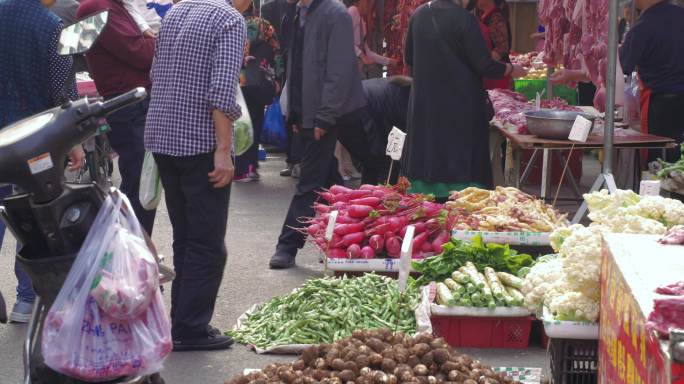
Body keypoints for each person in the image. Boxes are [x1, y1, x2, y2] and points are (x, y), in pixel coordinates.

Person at [144, 0, 246, 351]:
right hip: (199, 143)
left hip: (164, 137)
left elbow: (156, 73)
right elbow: (222, 91)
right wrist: (223, 150)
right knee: (206, 243)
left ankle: (181, 321)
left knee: (185, 236)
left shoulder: (176, 10)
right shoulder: (230, 20)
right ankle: (190, 328)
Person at [0, 0, 84, 323]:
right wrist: (74, 143)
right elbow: (64, 92)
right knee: (31, 220)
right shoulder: (52, 27)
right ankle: (27, 299)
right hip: (33, 142)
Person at [269, 0, 366, 269]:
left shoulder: (334, 14)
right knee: (328, 181)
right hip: (310, 112)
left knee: (309, 183)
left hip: (328, 113)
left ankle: (287, 246)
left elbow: (339, 71)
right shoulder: (300, 13)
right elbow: (298, 67)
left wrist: (324, 115)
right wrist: (297, 114)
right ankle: (358, 233)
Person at [402, 0, 525, 201]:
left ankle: (428, 196)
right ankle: (461, 197)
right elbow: (484, 65)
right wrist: (511, 69)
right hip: (461, 104)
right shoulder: (464, 20)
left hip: (426, 102)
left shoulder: (418, 15)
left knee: (429, 149)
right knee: (461, 155)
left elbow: (409, 58)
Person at [77, 0, 157, 235]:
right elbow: (142, 55)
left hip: (129, 102)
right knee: (141, 184)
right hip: (128, 103)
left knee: (140, 182)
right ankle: (130, 251)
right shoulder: (98, 8)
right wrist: (155, 40)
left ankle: (132, 250)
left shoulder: (110, 7)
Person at [620, 0, 684, 163]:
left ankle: (663, 187)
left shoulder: (644, 25)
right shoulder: (680, 14)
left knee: (660, 156)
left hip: (660, 103)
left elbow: (622, 66)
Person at [235, 3, 284, 182]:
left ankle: (241, 168)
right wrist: (277, 77)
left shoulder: (232, 22)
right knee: (254, 123)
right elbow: (277, 51)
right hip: (259, 82)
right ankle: (251, 166)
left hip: (238, 82)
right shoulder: (264, 25)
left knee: (239, 125)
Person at [361, 75, 412, 184]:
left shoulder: (399, 88)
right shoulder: (408, 98)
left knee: (373, 162)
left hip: (361, 104)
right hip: (365, 110)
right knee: (383, 161)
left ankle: (370, 192)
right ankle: (383, 193)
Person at [345, 0, 394, 79]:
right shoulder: (353, 11)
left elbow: (368, 52)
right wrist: (362, 56)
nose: (370, 5)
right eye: (368, 2)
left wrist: (390, 61)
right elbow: (344, 40)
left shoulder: (361, 21)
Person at [472, 0, 512, 90]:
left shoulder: (496, 17)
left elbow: (501, 48)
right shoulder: (483, 16)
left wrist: (483, 65)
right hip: (491, 74)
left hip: (498, 79)